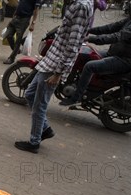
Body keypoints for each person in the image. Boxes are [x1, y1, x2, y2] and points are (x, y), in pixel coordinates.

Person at [14, 0, 94, 154]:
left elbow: (73, 44)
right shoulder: (78, 3)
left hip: (55, 64)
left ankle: (34, 142)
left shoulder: (81, 6)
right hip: (51, 59)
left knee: (39, 105)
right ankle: (45, 129)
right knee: (30, 94)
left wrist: (58, 73)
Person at [59, 0, 131, 107]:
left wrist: (91, 38)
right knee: (85, 54)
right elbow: (112, 27)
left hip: (124, 59)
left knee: (90, 66)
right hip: (114, 53)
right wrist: (89, 29)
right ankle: (84, 86)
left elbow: (118, 36)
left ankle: (76, 97)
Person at [2, 0, 42, 65]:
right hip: (16, 17)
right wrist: (13, 16)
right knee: (8, 35)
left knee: (18, 39)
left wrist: (33, 23)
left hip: (24, 19)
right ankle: (17, 48)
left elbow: (36, 10)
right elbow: (19, 5)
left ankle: (11, 58)